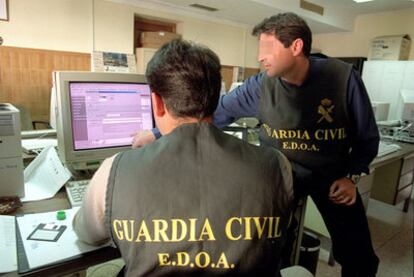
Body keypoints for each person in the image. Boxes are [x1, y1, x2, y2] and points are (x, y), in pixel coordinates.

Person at [133, 13, 380, 277]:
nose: (260, 57)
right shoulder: (261, 86)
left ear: (296, 47)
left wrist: (351, 175)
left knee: (360, 256)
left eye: (267, 49)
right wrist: (159, 133)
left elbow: (367, 137)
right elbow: (211, 113)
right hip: (281, 174)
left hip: (333, 176)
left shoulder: (343, 79)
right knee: (265, 247)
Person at [73, 39, 310, 276]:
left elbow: (87, 234)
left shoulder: (114, 170)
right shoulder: (277, 165)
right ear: (216, 98)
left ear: (157, 102)